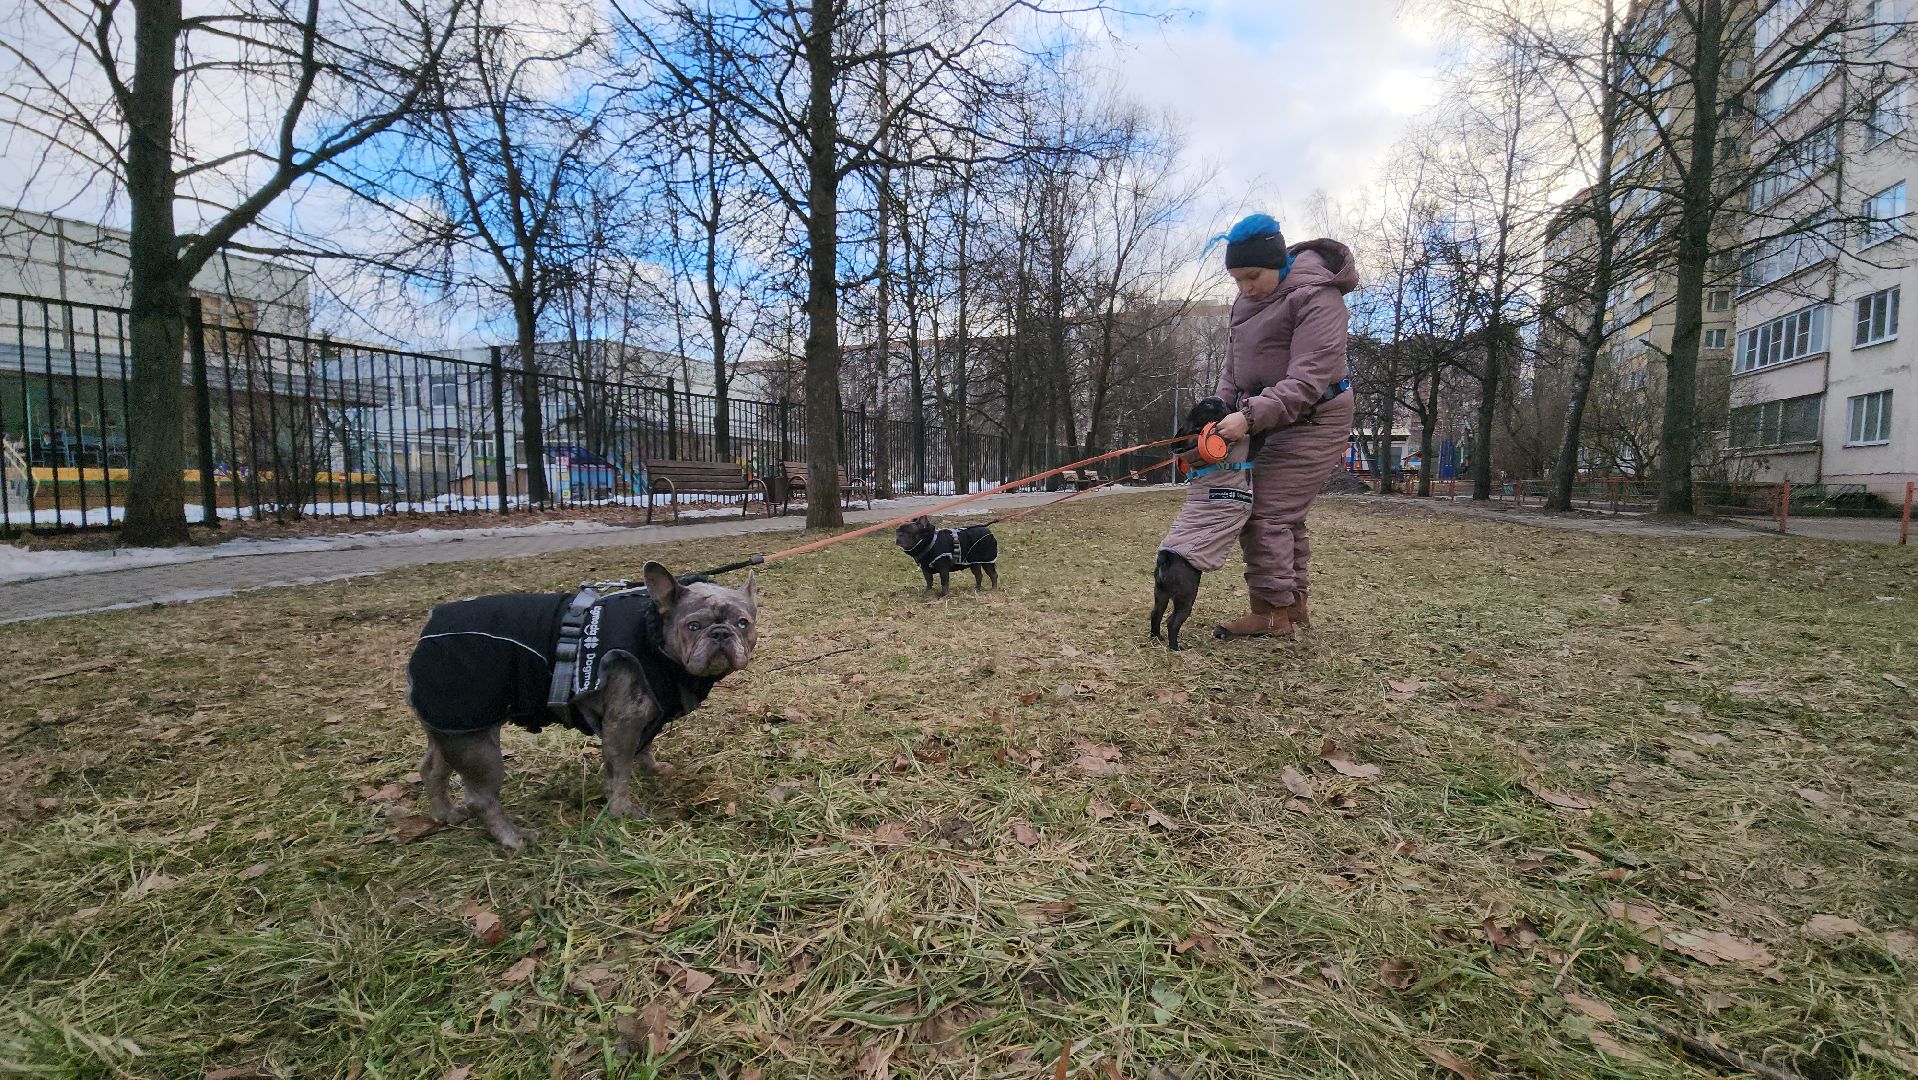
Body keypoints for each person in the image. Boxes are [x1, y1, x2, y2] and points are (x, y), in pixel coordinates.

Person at [1206, 213, 1357, 639]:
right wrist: (1217, 410)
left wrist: (1249, 416)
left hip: (1314, 417)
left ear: (1276, 262)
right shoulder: (1246, 304)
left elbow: (1308, 379)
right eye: (1237, 279)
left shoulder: (1317, 297)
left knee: (1265, 511)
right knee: (1284, 515)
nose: (1246, 288)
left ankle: (1271, 612)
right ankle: (1292, 605)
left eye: (1252, 276)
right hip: (1269, 417)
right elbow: (1233, 368)